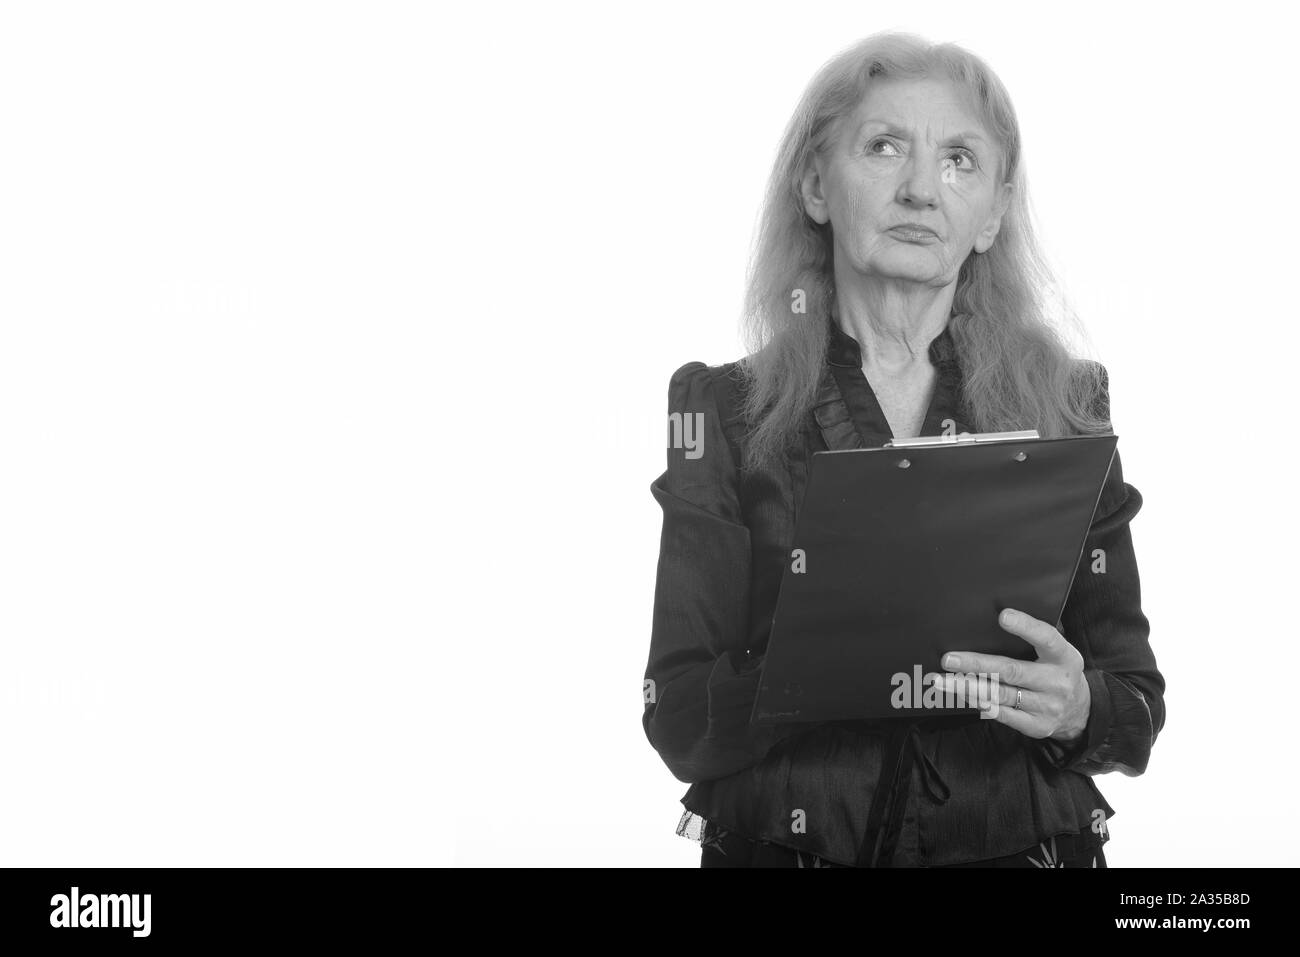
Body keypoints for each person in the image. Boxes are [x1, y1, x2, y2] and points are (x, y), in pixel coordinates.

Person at [641, 31, 1166, 868]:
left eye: (961, 160)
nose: (922, 188)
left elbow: (1135, 702)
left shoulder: (1066, 407)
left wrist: (1077, 705)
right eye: (884, 147)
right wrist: (816, 666)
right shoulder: (721, 410)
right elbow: (676, 716)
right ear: (816, 184)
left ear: (993, 211)